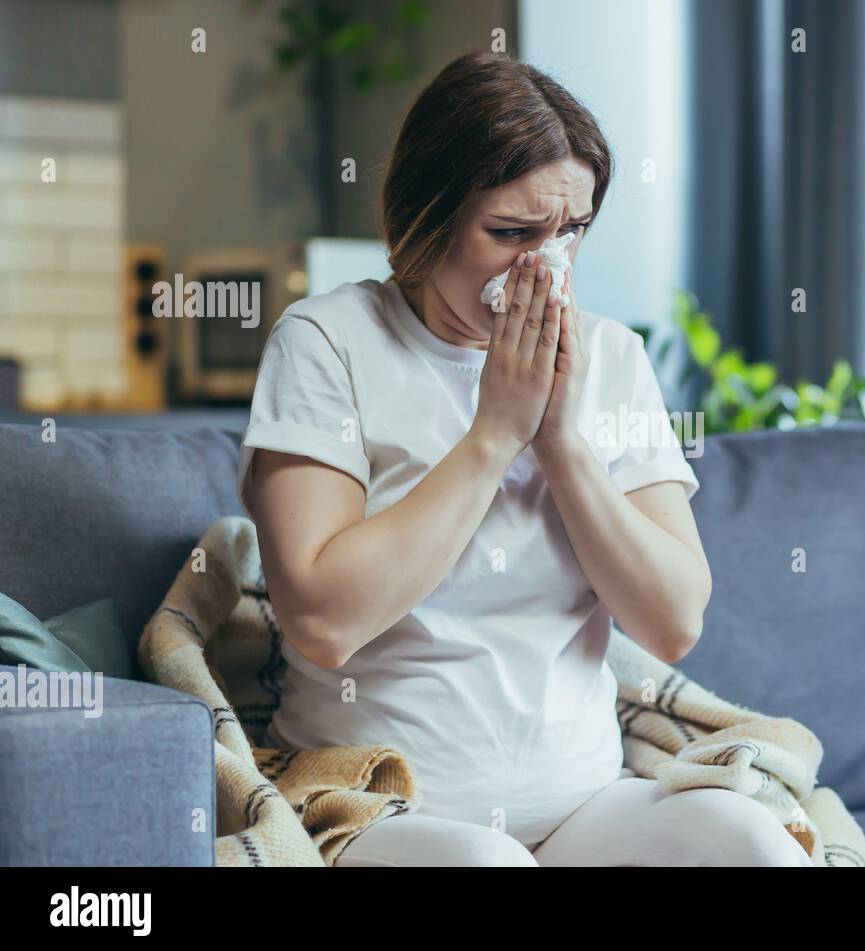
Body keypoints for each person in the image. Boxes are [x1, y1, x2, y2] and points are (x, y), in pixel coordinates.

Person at [237, 50, 811, 867]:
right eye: (511, 233)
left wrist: (562, 445)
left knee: (753, 842)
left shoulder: (609, 357)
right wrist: (493, 435)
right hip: (382, 808)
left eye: (570, 230)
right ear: (425, 219)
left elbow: (674, 620)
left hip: (583, 804)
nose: (546, 264)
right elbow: (323, 622)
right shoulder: (329, 341)